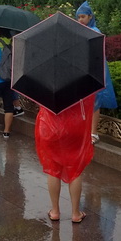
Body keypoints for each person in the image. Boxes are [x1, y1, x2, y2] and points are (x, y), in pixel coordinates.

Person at [36, 95, 94, 223]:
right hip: (74, 128)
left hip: (50, 128)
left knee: (53, 168)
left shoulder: (44, 81)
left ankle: (55, 211)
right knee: (75, 169)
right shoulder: (81, 81)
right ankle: (75, 213)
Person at [75, 2, 118, 143]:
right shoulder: (79, 31)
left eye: (83, 17)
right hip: (82, 71)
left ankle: (94, 133)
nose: (80, 20)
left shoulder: (95, 32)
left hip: (94, 72)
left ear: (90, 16)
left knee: (95, 102)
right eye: (78, 17)